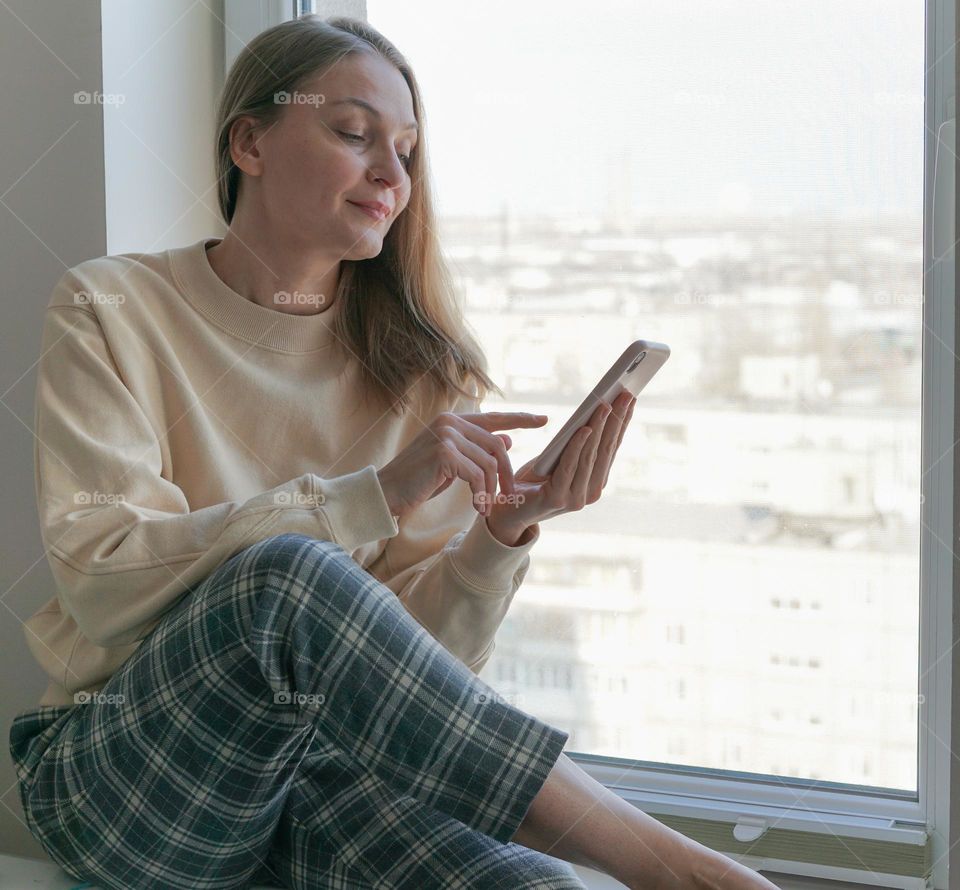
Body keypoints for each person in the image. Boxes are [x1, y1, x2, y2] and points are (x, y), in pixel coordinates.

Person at [8, 14, 781, 890]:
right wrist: (370, 494)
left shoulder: (421, 371)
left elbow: (416, 687)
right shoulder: (111, 307)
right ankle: (678, 870)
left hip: (322, 783)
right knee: (290, 579)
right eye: (353, 133)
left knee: (537, 887)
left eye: (407, 152)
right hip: (134, 784)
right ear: (249, 142)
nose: (391, 174)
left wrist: (502, 535)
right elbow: (103, 578)